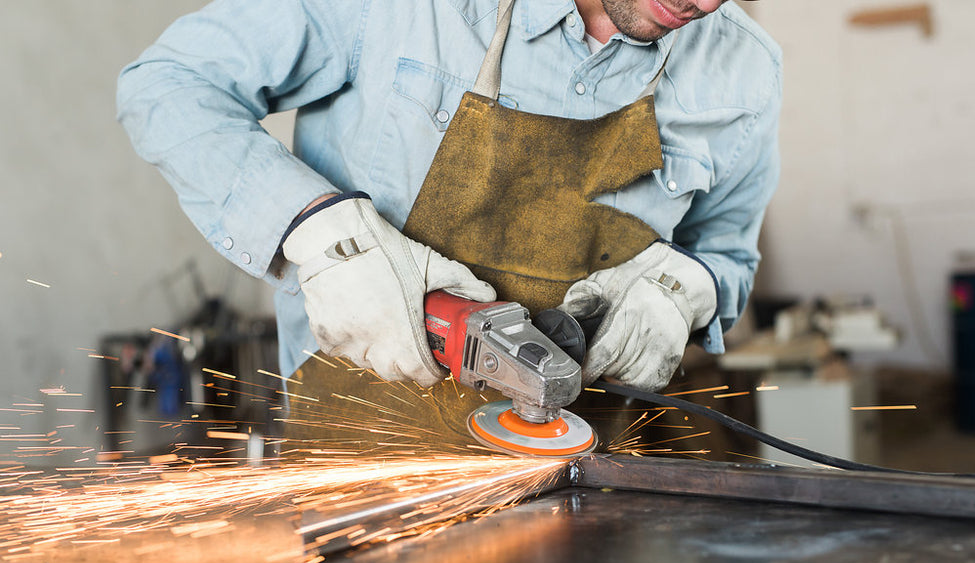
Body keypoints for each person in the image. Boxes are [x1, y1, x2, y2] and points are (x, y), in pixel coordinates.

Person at [117, 0, 780, 440]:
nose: (701, 2)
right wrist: (316, 231)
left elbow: (725, 254)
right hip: (364, 459)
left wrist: (685, 291)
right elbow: (167, 84)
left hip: (582, 465)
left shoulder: (746, 71)